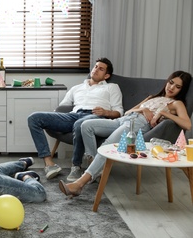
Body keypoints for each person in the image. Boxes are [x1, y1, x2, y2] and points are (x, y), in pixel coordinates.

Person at [59, 71, 192, 198]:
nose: (172, 87)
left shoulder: (176, 103)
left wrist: (163, 113)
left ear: (182, 90)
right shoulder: (153, 97)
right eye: (171, 82)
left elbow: (187, 124)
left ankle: (79, 184)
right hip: (122, 120)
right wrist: (144, 109)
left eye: (177, 86)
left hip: (136, 125)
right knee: (86, 126)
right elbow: (128, 112)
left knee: (106, 146)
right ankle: (95, 167)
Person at [27, 58, 124, 181]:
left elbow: (119, 112)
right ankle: (49, 164)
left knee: (80, 123)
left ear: (106, 75)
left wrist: (106, 112)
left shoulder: (112, 87)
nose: (96, 70)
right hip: (73, 115)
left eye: (101, 69)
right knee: (34, 118)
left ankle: (76, 166)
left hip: (95, 117)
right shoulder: (77, 88)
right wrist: (53, 118)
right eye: (95, 66)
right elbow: (62, 107)